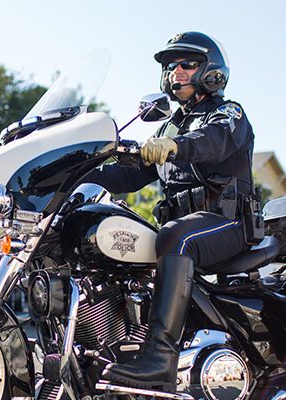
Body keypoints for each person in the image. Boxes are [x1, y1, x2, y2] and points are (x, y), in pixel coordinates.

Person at [87, 32, 255, 392]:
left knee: (175, 237)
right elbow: (128, 176)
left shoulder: (229, 114)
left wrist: (175, 146)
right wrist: (73, 172)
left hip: (227, 225)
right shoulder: (168, 126)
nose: (176, 71)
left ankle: (160, 360)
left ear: (211, 72)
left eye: (186, 64)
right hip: (186, 228)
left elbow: (212, 141)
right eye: (170, 66)